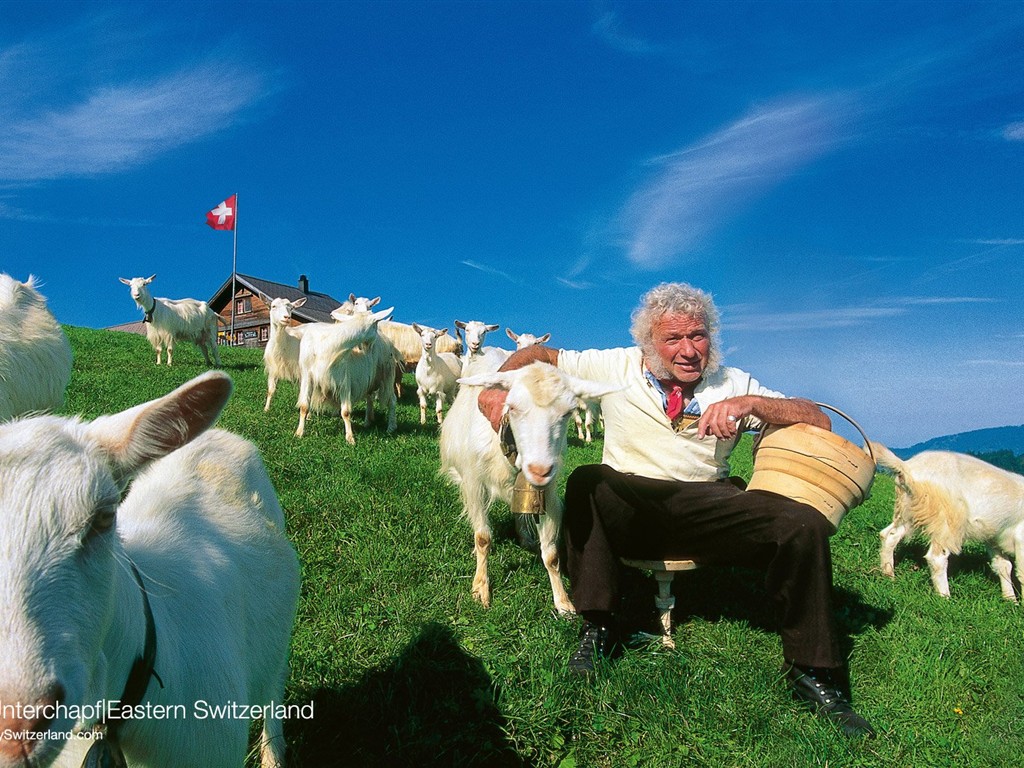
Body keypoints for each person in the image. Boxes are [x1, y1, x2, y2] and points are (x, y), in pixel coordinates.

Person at [477, 282, 875, 739]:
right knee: (589, 481)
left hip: (710, 505)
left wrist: (752, 405)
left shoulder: (732, 382)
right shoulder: (616, 365)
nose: (688, 350)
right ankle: (600, 627)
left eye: (698, 336)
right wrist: (493, 387)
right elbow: (543, 358)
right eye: (673, 339)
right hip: (632, 501)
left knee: (802, 522)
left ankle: (812, 673)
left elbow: (817, 418)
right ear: (649, 343)